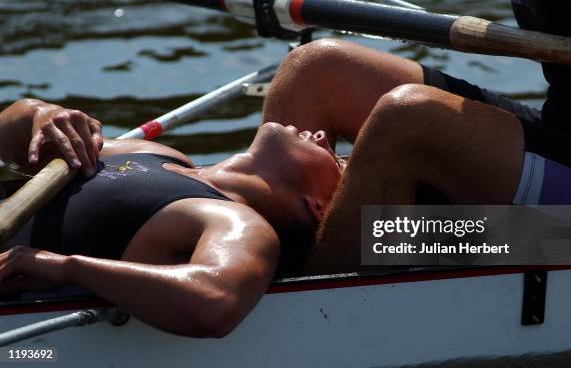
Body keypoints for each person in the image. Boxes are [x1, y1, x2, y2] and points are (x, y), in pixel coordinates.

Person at [261, 0, 571, 273]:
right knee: (315, 71)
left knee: (408, 119)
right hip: (566, 131)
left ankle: (312, 309)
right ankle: (253, 241)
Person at [0, 98, 342, 337]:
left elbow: (214, 303)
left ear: (317, 206)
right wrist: (43, 115)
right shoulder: (161, 154)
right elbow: (8, 140)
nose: (325, 137)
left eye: (339, 162)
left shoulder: (238, 224)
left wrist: (65, 268)